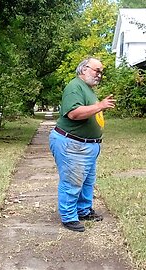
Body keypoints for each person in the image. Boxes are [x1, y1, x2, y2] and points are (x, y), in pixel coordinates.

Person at [49, 57, 116, 232]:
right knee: (72, 182)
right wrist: (100, 106)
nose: (100, 75)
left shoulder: (87, 89)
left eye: (101, 72)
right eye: (97, 70)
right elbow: (74, 113)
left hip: (86, 146)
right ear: (84, 69)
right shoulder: (75, 87)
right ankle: (69, 217)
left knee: (86, 181)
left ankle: (83, 210)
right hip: (72, 144)